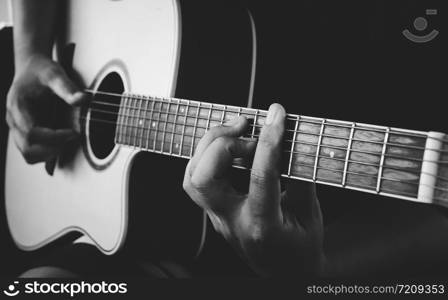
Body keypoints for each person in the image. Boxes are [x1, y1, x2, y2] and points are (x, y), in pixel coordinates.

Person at [6, 0, 448, 278]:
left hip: (193, 252)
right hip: (59, 97)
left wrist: (315, 272)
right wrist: (29, 51)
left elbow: (432, 189)